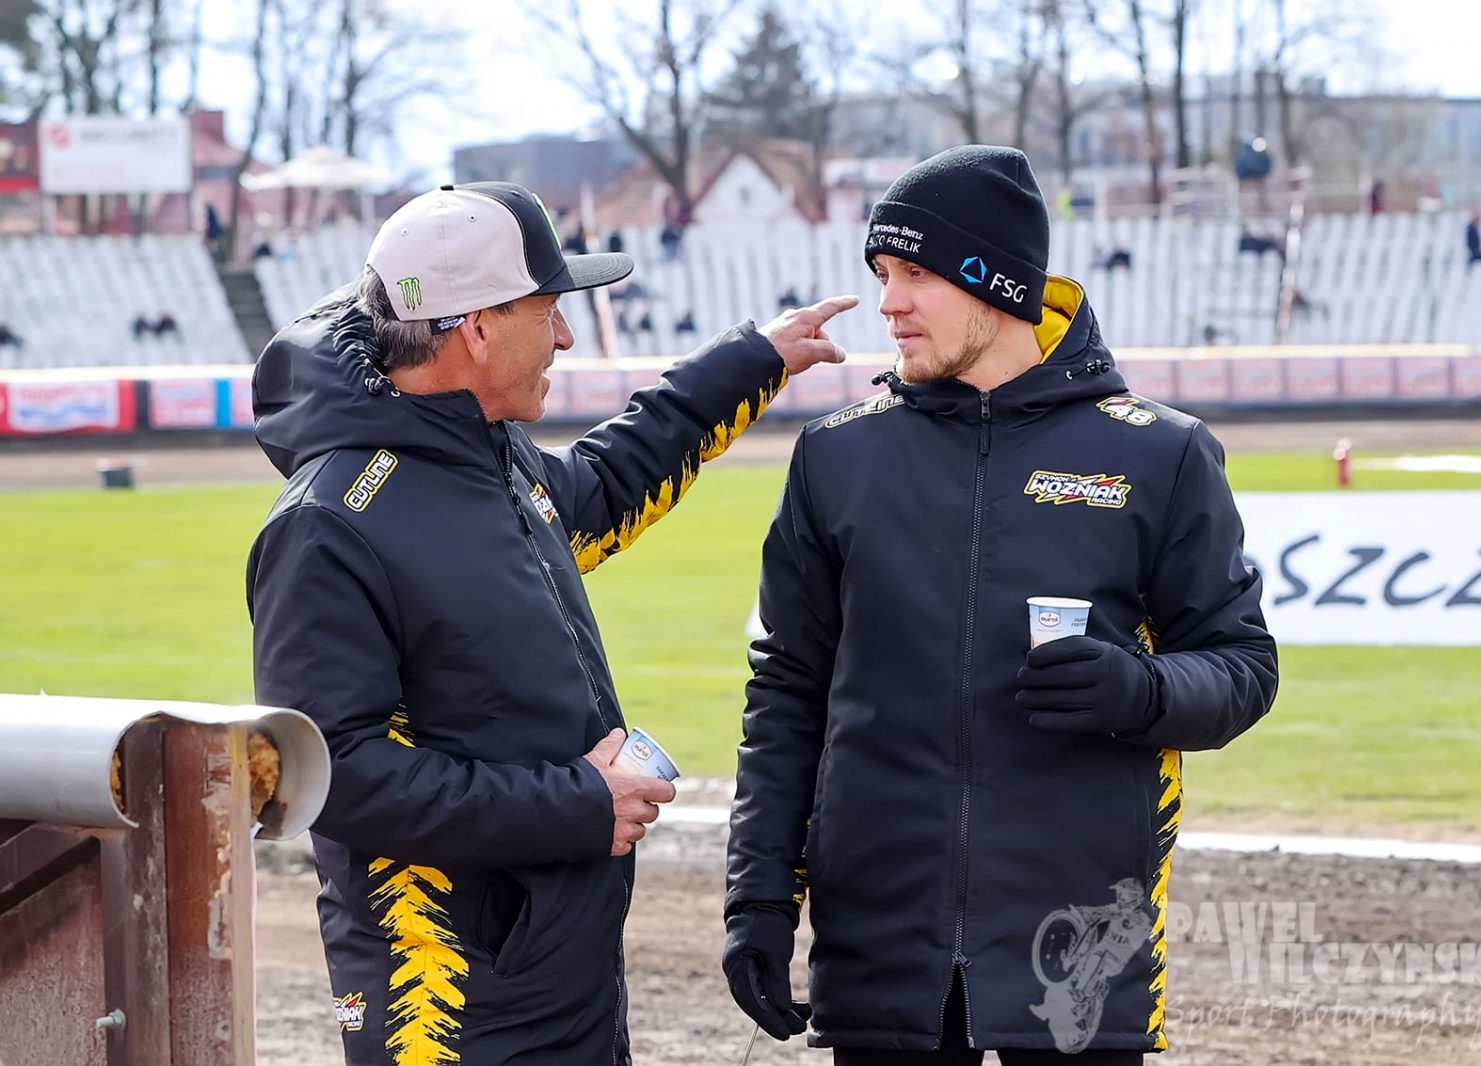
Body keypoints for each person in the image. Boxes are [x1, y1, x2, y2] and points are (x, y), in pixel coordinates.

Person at [246, 181, 857, 1066]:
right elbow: (332, 776)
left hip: (556, 962)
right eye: (548, 311)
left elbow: (605, 487)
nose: (566, 336)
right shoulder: (328, 523)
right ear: (476, 328)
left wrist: (751, 360)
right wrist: (577, 806)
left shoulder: (486, 454)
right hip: (447, 1003)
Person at [724, 146, 1278, 1064]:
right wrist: (758, 896)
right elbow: (787, 690)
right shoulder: (835, 455)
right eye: (882, 274)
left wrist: (1140, 691)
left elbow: (1244, 668)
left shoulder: (1161, 453)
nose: (889, 302)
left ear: (996, 283)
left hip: (1080, 949)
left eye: (916, 275)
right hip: (881, 949)